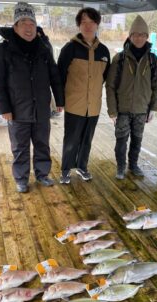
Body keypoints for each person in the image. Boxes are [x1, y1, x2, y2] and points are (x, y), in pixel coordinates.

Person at [0, 2, 64, 193]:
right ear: (15, 26)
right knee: (20, 147)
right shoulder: (2, 51)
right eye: (23, 22)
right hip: (16, 110)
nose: (28, 27)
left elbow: (54, 76)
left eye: (31, 22)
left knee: (42, 144)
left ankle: (42, 174)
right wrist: (3, 108)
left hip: (41, 108)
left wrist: (60, 100)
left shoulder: (44, 48)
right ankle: (21, 179)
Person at [58, 7, 110, 184]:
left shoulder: (104, 51)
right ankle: (65, 170)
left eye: (92, 22)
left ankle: (82, 167)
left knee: (87, 139)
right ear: (79, 25)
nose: (88, 26)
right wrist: (60, 101)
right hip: (74, 104)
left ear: (97, 24)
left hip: (93, 106)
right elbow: (60, 76)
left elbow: (104, 78)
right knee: (71, 140)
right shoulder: (69, 48)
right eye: (84, 22)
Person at [106, 15, 157, 179]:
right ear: (130, 37)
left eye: (142, 35)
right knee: (121, 141)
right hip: (122, 109)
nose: (139, 38)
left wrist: (153, 108)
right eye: (135, 34)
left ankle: (133, 165)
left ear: (147, 37)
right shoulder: (120, 58)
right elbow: (110, 86)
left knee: (137, 140)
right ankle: (121, 167)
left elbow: (156, 86)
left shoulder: (152, 60)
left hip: (141, 109)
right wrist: (112, 110)